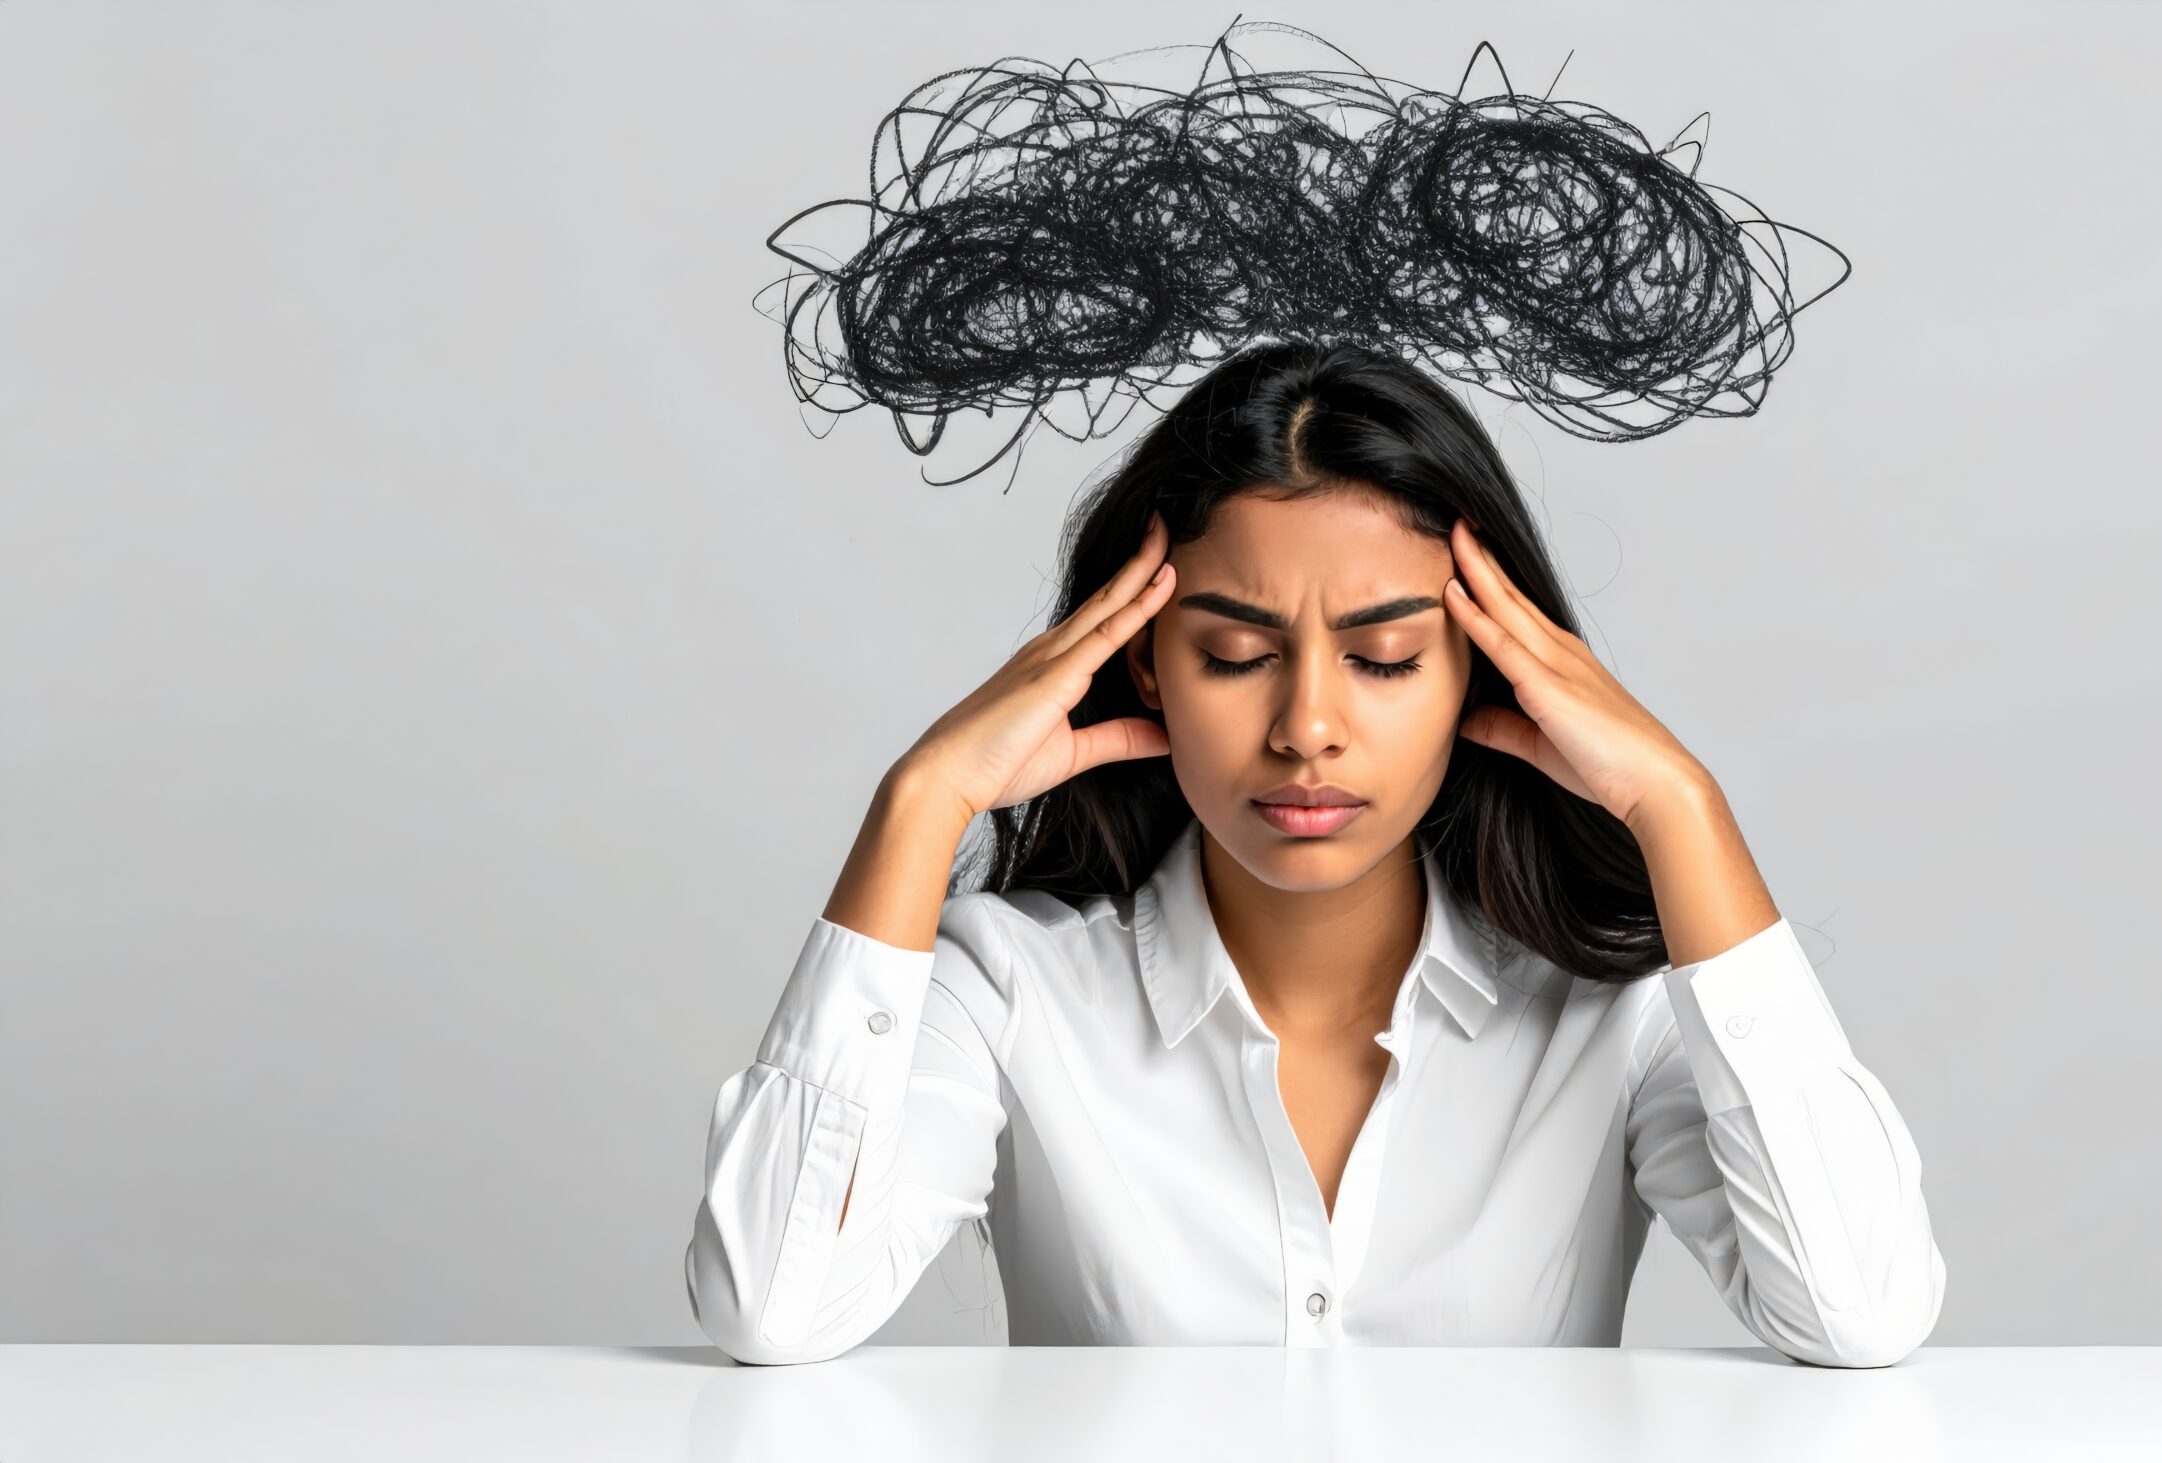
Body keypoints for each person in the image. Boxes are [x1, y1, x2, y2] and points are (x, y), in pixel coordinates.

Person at [682, 339, 1948, 1364]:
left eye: (1387, 658)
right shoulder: (1011, 988)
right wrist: (922, 800)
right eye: (1232, 656)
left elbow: (1858, 1312)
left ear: (1484, 670)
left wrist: (1680, 807)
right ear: (1145, 663)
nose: (1306, 729)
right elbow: (774, 1308)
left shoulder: (1610, 1011)